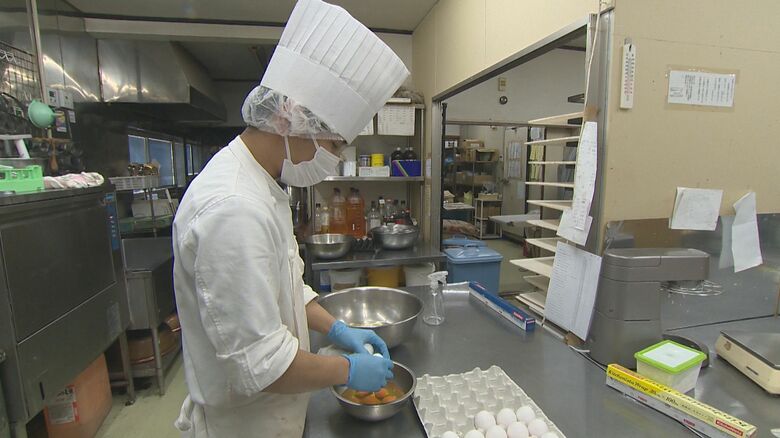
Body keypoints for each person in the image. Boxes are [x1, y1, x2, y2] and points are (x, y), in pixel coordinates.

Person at [172, 0, 410, 436]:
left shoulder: (263, 183)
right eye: (334, 145)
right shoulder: (233, 208)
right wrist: (347, 370)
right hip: (247, 424)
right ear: (289, 119)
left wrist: (337, 328)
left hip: (277, 412)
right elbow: (260, 365)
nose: (333, 159)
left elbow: (285, 285)